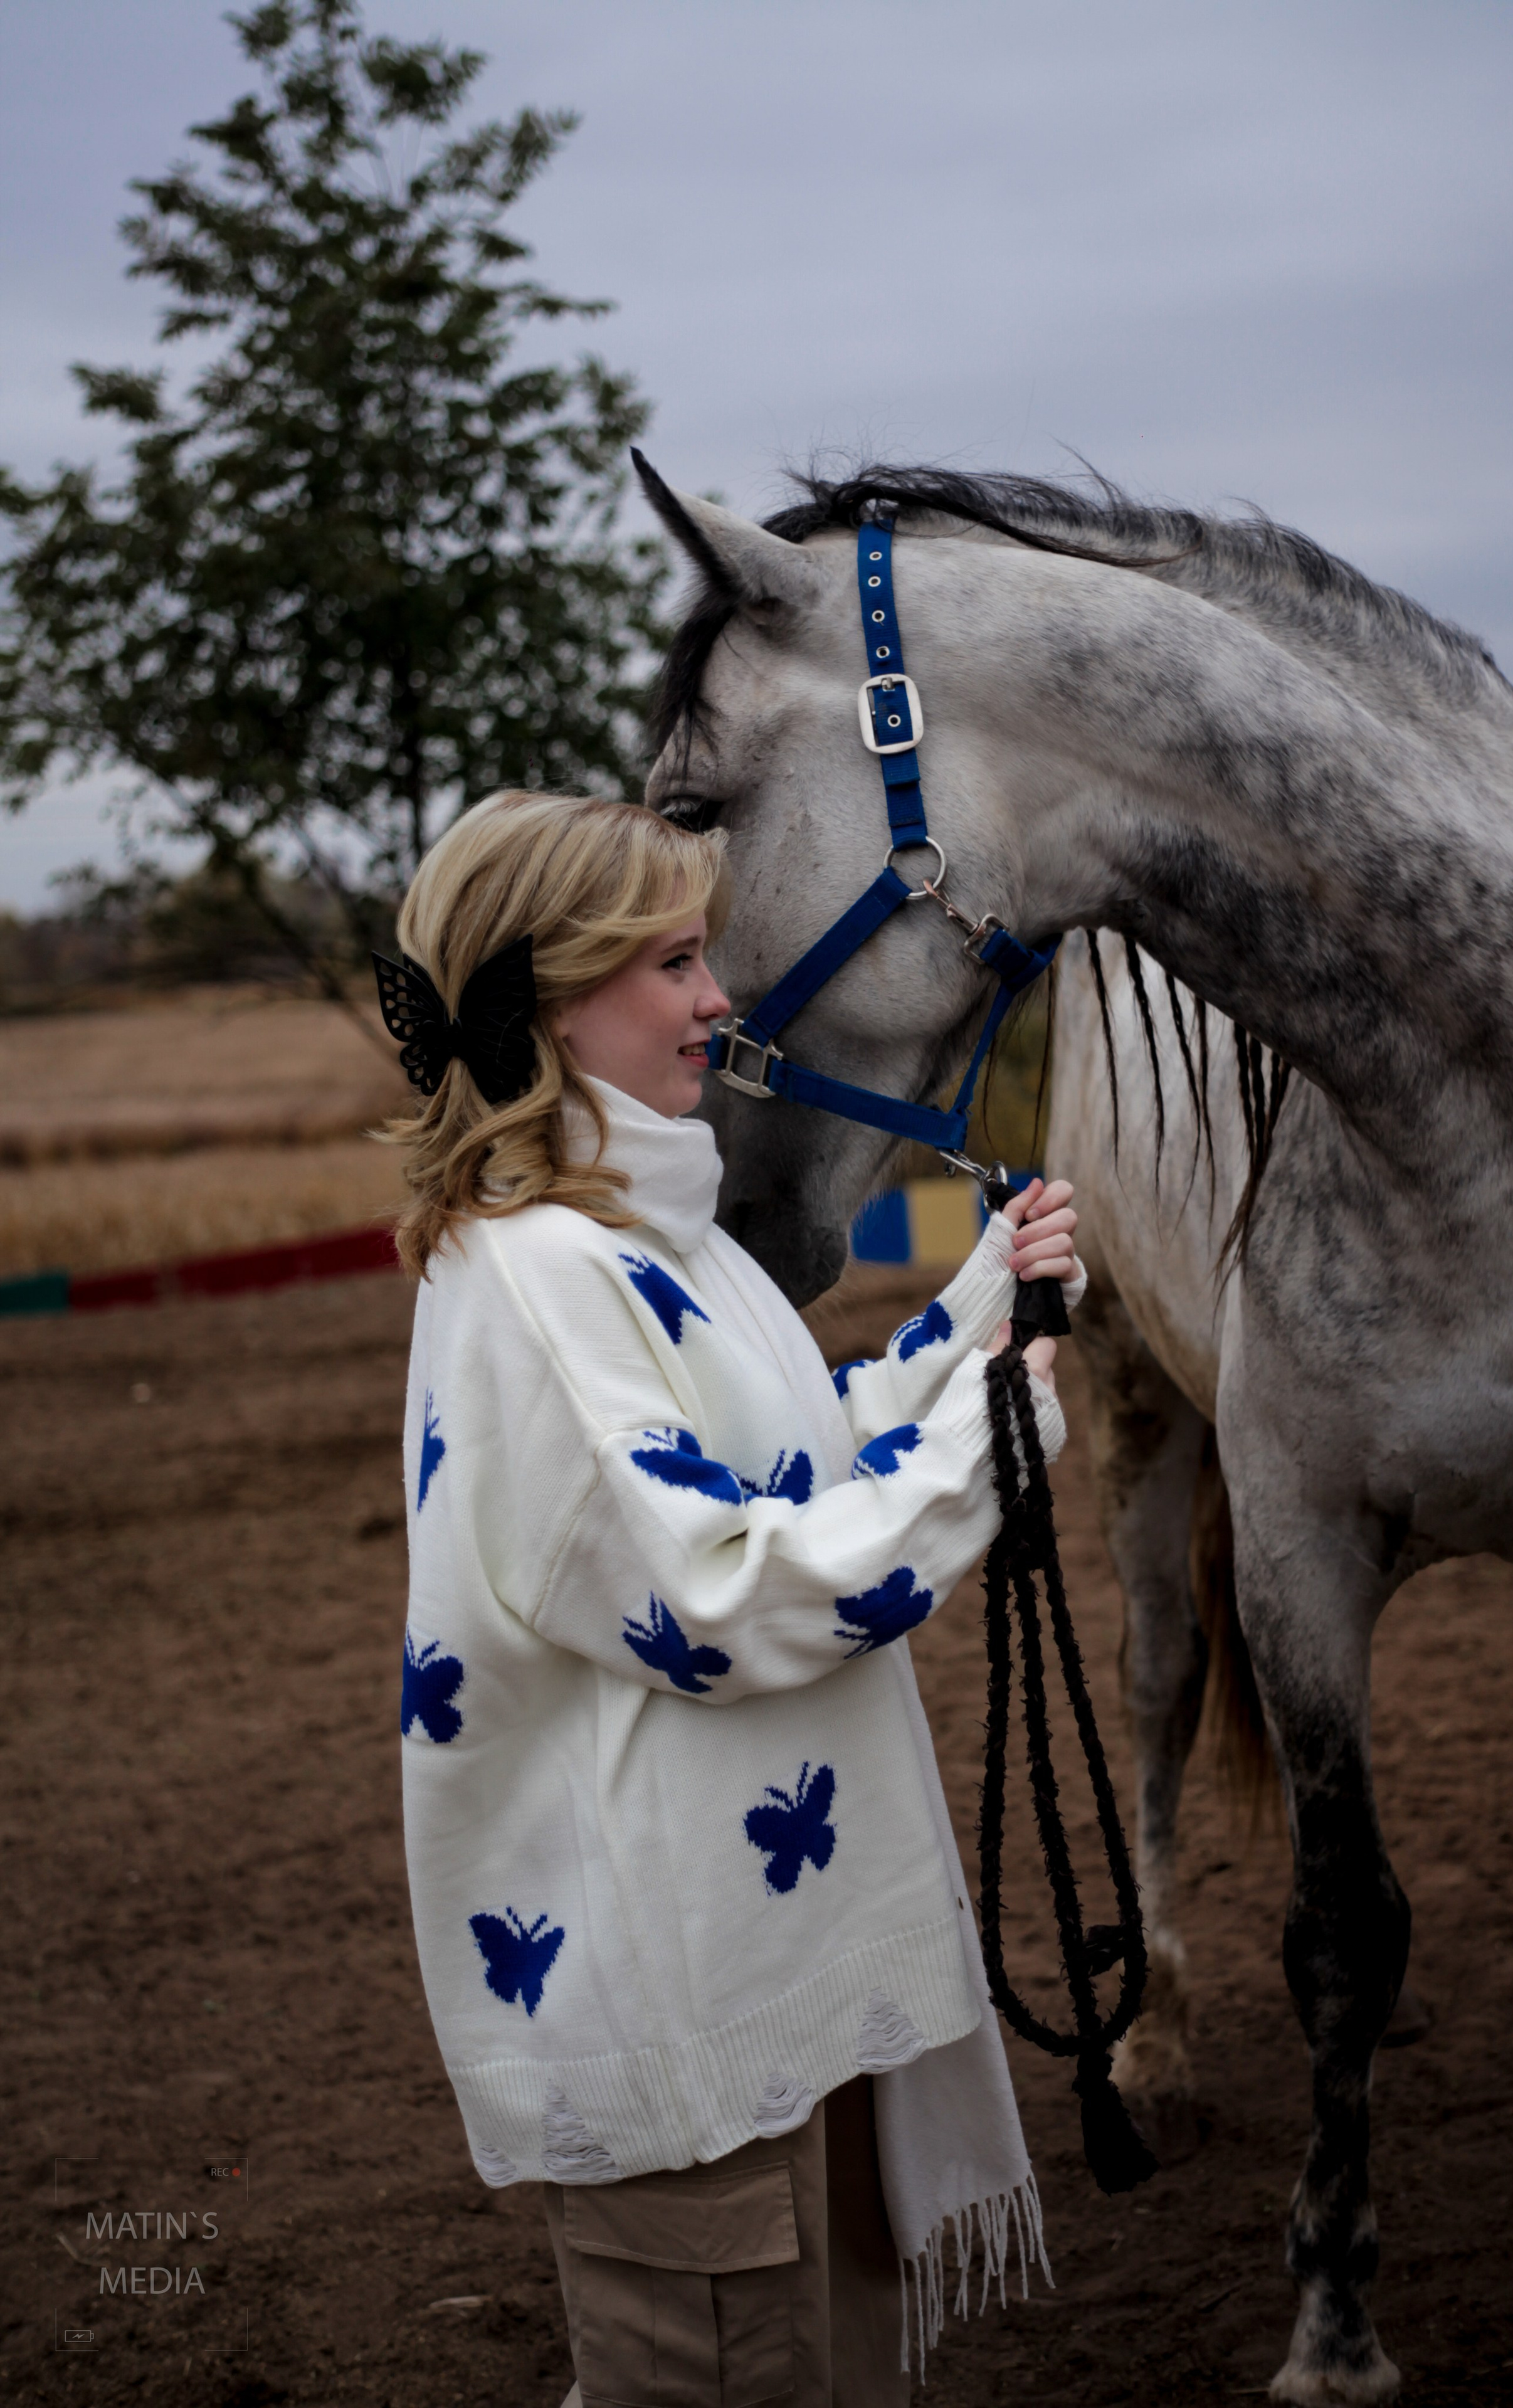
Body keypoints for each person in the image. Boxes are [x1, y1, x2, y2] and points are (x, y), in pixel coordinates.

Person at [381, 788, 1085, 2407]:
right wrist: (996, 1451)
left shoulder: (650, 1232)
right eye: (678, 962)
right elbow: (712, 1591)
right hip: (692, 2035)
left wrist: (976, 1320)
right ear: (541, 1007)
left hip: (782, 1994)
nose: (720, 999)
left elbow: (799, 1466)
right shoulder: (540, 1276)